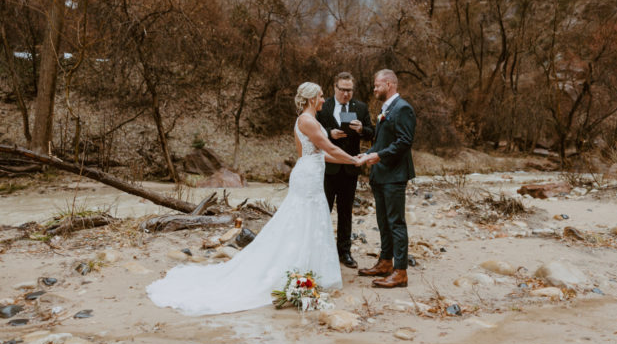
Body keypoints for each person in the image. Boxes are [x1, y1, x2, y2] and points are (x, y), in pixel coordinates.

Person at [147, 82, 364, 314]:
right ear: (312, 99)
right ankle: (293, 268)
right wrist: (355, 160)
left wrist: (354, 159)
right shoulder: (307, 121)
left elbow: (322, 156)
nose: (324, 99)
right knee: (301, 220)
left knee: (309, 222)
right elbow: (329, 148)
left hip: (311, 173)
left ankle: (308, 268)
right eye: (321, 96)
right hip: (307, 178)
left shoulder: (311, 121)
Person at [358, 68, 416, 289]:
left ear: (389, 85)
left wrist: (379, 155)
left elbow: (404, 141)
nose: (374, 89)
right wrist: (368, 153)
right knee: (383, 221)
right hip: (381, 175)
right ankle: (385, 263)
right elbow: (383, 141)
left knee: (396, 223)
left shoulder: (403, 109)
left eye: (377, 85)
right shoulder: (386, 109)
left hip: (394, 175)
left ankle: (400, 271)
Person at [317, 71, 374, 267]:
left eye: (349, 90)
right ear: (335, 88)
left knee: (345, 212)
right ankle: (321, 250)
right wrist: (329, 133)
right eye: (342, 90)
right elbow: (313, 129)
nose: (346, 94)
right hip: (327, 168)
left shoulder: (361, 107)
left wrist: (361, 130)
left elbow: (371, 132)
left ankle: (345, 252)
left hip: (350, 169)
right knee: (323, 210)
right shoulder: (324, 107)